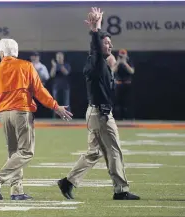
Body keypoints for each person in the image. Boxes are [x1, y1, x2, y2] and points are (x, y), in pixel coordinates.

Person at [0, 38, 72, 200]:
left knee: (14, 154)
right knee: (26, 152)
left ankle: (16, 191)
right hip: (21, 112)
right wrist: (55, 106)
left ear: (2, 52)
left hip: (4, 115)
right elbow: (39, 90)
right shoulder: (26, 66)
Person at [57, 7, 140, 200]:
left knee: (94, 153)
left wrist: (99, 31)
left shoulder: (99, 62)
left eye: (111, 43)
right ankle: (121, 190)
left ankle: (67, 182)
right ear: (98, 46)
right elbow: (95, 47)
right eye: (107, 43)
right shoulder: (96, 60)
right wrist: (96, 29)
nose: (110, 46)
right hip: (101, 115)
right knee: (114, 150)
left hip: (95, 113)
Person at [112, 49, 135, 120]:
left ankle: (128, 118)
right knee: (118, 102)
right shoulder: (117, 62)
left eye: (123, 55)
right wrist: (118, 62)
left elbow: (132, 71)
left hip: (127, 84)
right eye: (121, 55)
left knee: (127, 102)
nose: (122, 56)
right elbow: (113, 70)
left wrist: (125, 63)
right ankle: (118, 118)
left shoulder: (129, 61)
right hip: (119, 84)